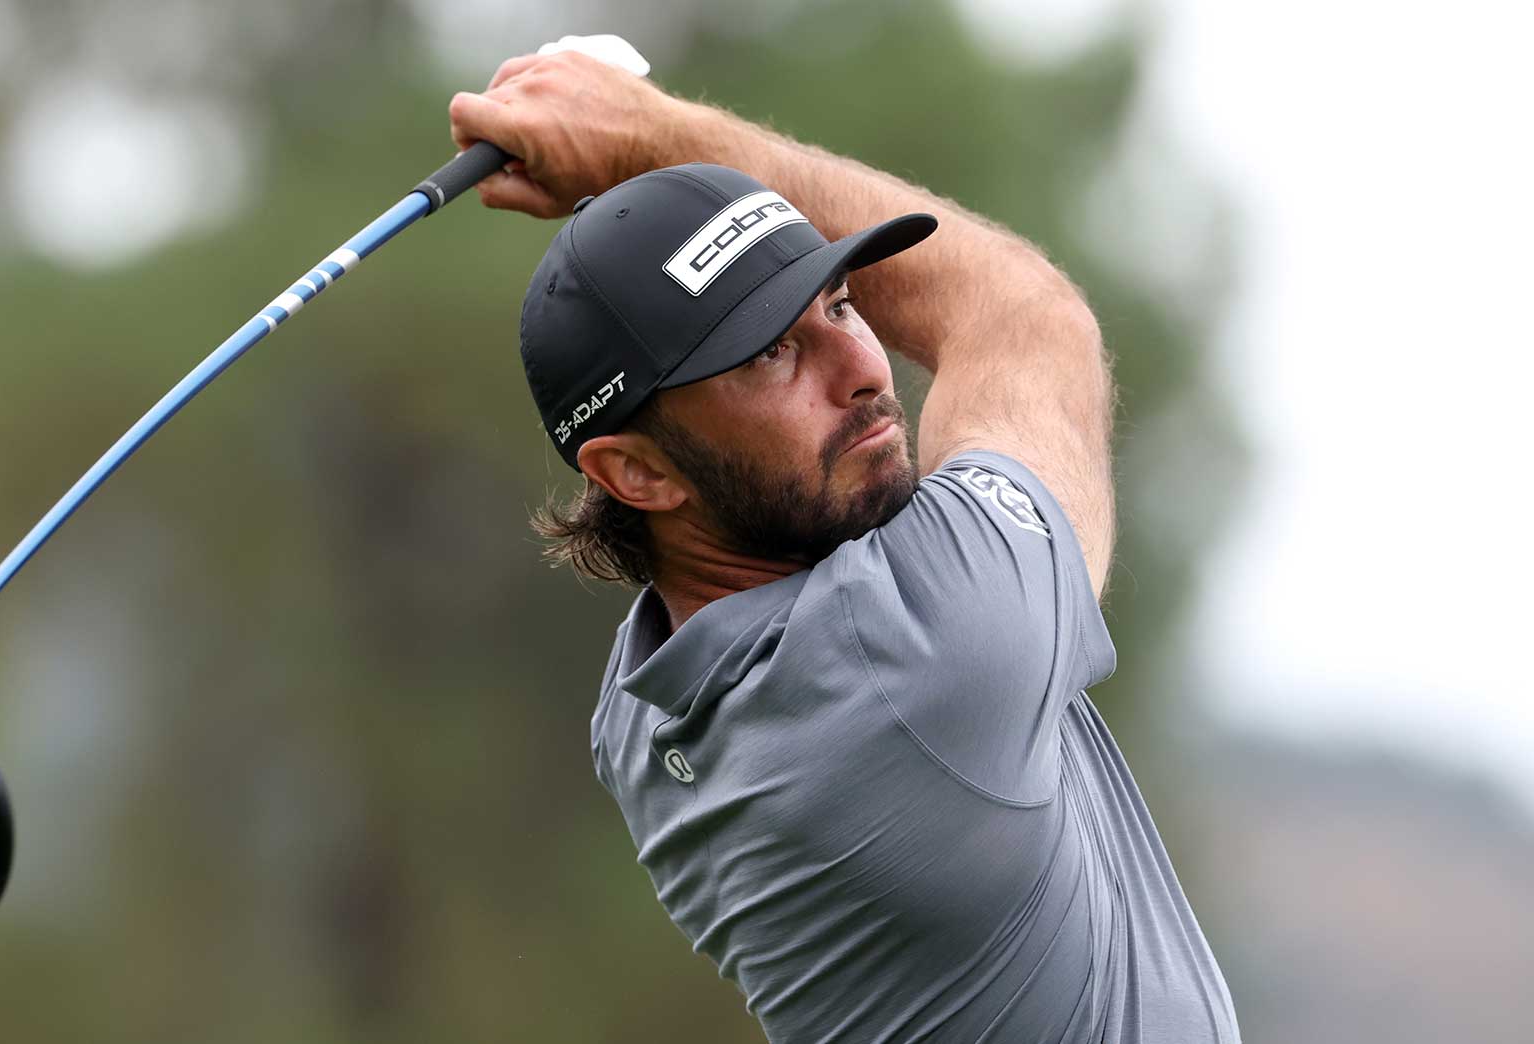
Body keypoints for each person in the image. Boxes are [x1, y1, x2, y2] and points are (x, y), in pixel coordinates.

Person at [449, 50, 1240, 1044]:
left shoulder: (643, 710)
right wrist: (649, 136)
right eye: (770, 351)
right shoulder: (919, 661)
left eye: (837, 302)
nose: (863, 369)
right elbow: (1020, 318)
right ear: (637, 474)